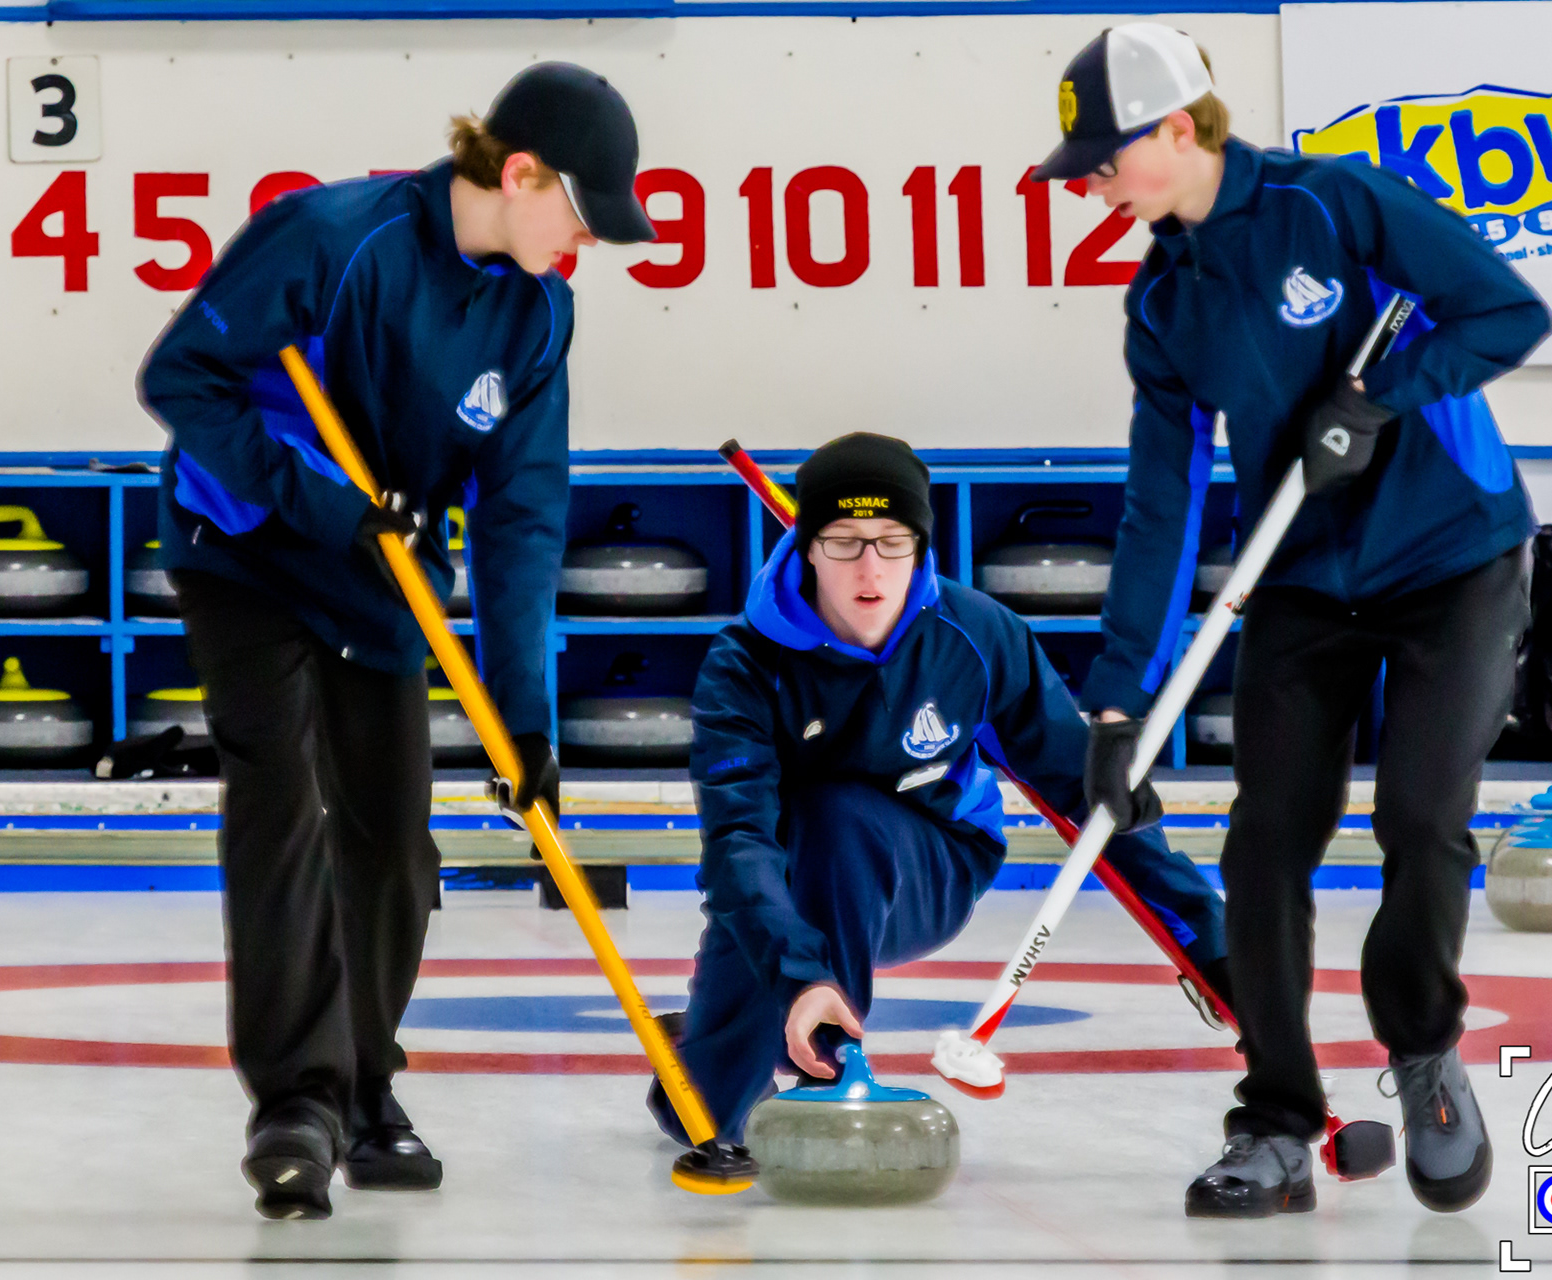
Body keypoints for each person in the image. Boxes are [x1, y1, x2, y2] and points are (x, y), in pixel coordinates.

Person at [1034, 25, 1552, 1218]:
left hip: (1452, 555)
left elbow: (1504, 314)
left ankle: (1422, 1051)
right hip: (1304, 578)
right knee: (1266, 840)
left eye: (1104, 154)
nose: (1090, 179)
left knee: (1422, 817)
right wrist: (1119, 705)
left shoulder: (1337, 204)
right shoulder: (1163, 300)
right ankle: (1275, 1118)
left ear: (1177, 128)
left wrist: (1379, 398)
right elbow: (1158, 507)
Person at [137, 63, 656, 1220]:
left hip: (384, 584)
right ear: (518, 173)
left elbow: (523, 516)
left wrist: (523, 717)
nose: (584, 239)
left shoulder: (539, 311)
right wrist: (320, 504)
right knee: (284, 806)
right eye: (577, 210)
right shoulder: (331, 239)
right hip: (251, 552)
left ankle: (369, 1082)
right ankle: (297, 1103)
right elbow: (185, 378)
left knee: (394, 836)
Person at [648, 432, 1229, 1145]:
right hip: (787, 869)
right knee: (702, 1121)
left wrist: (1213, 945)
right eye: (844, 540)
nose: (870, 566)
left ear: (921, 545)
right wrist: (798, 974)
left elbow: (1091, 796)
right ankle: (731, 1036)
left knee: (841, 816)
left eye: (893, 540)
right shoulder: (743, 665)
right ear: (806, 546)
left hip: (935, 867)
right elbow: (739, 842)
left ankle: (831, 1072)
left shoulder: (976, 634)